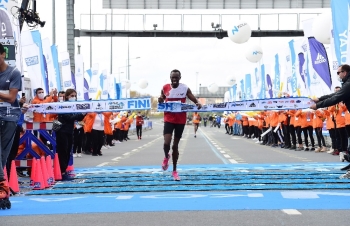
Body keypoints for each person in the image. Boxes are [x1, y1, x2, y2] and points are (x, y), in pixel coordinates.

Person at [158, 69, 202, 181]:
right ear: (170, 78)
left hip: (180, 120)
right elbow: (162, 98)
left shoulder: (184, 88)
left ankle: (174, 171)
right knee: (166, 142)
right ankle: (166, 156)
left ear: (179, 78)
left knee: (175, 146)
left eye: (176, 77)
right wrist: (160, 100)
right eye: (172, 77)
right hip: (168, 118)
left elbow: (192, 97)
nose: (174, 79)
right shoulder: (165, 87)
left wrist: (197, 102)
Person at [310, 64, 350, 175]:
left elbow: (336, 98)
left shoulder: (348, 84)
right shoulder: (347, 83)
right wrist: (319, 99)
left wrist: (318, 105)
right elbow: (334, 95)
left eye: (339, 72)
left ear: (344, 73)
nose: (338, 75)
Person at [0, 42, 22, 209]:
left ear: (3, 55)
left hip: (9, 118)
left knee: (3, 156)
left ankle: (2, 190)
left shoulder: (13, 73)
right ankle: (2, 187)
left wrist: (4, 96)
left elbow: (11, 98)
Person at [55, 89, 86, 180]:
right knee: (63, 151)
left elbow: (77, 117)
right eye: (72, 95)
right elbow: (69, 118)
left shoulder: (73, 106)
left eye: (75, 96)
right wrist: (80, 114)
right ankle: (62, 171)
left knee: (68, 151)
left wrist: (84, 113)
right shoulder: (63, 105)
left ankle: (64, 170)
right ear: (67, 96)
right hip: (62, 131)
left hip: (69, 131)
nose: (74, 97)